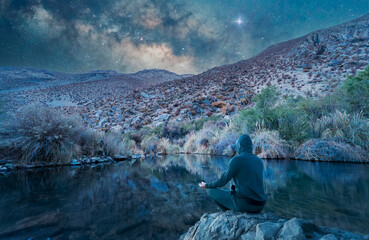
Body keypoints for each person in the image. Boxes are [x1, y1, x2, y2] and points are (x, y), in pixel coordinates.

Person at [199, 134, 267, 213]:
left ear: (239, 146)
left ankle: (228, 213)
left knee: (210, 191)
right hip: (260, 205)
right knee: (230, 192)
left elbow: (222, 181)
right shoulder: (259, 161)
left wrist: (206, 185)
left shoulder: (237, 160)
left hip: (245, 204)